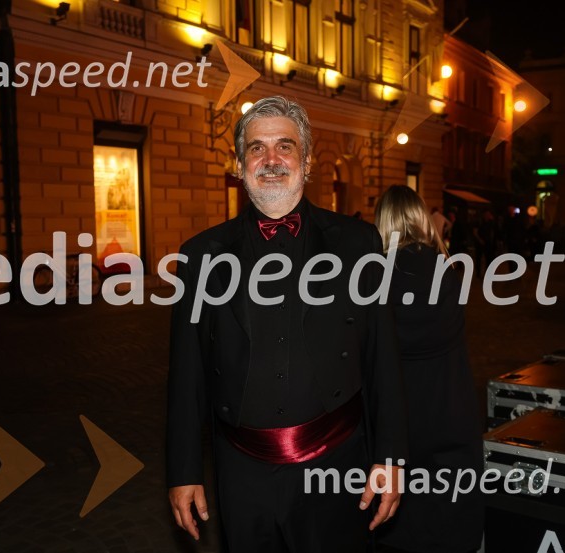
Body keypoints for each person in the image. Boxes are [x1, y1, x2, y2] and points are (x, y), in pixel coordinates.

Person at [166, 96, 407, 553]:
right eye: (256, 148)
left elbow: (383, 360)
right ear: (239, 164)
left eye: (284, 146)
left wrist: (391, 459)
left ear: (307, 160)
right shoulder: (200, 255)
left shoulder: (357, 243)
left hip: (336, 464)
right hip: (240, 472)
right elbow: (187, 373)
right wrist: (183, 472)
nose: (271, 159)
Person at [374, 185, 484, 553]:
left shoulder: (375, 276)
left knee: (401, 521)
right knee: (450, 516)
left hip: (400, 419)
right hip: (450, 410)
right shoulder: (448, 268)